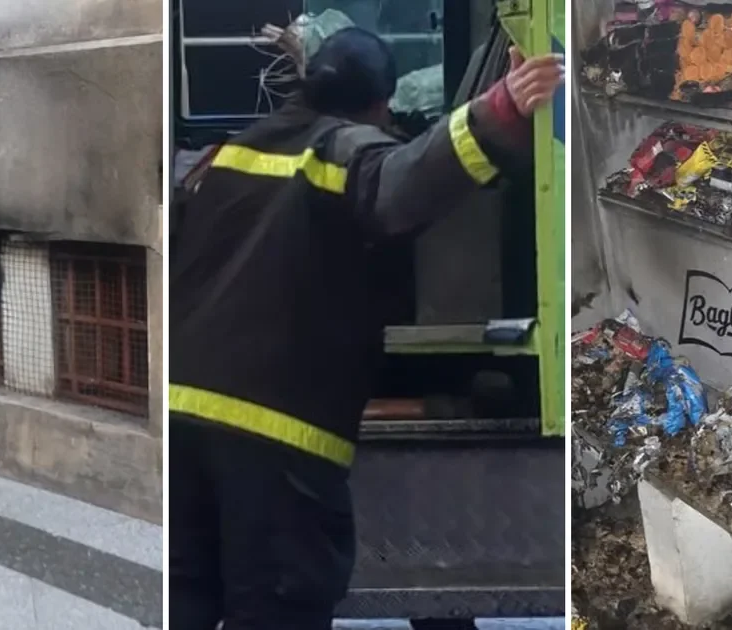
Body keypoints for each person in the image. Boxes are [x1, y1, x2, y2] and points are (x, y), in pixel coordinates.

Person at [169, 27, 564, 630]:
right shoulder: (344, 153)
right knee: (278, 608)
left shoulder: (225, 155)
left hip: (181, 428)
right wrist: (501, 109)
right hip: (277, 442)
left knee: (186, 600)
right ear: (381, 104)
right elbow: (404, 183)